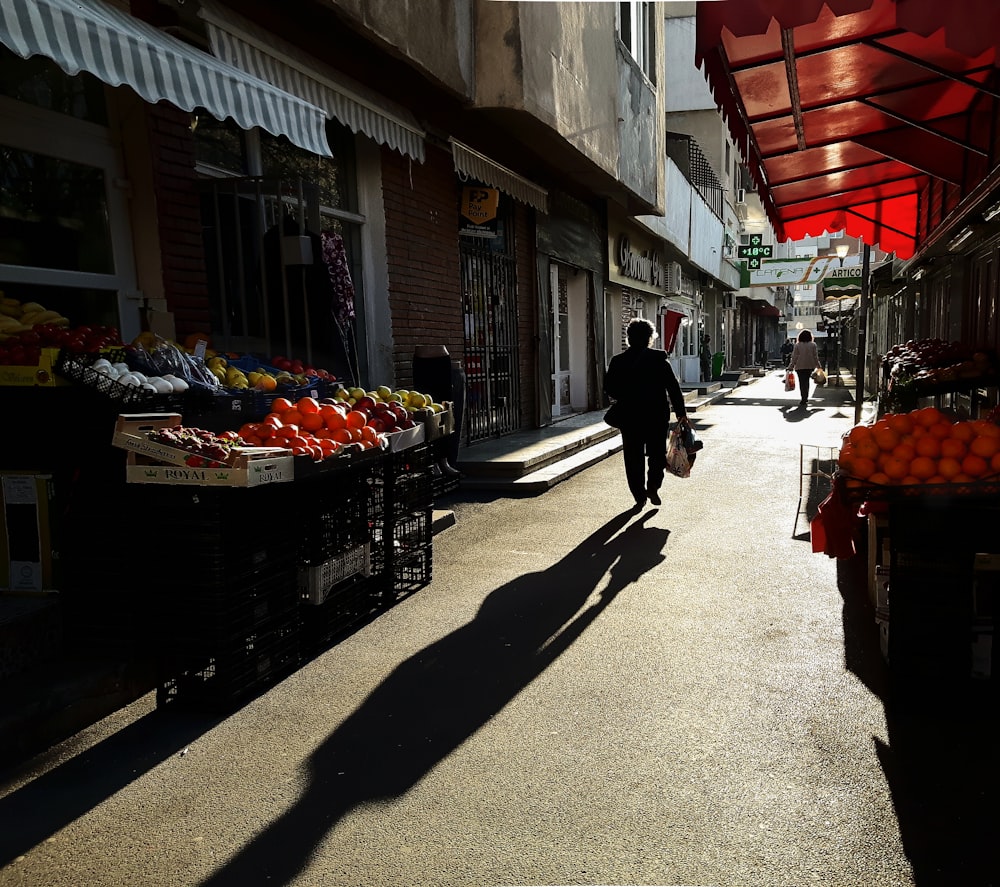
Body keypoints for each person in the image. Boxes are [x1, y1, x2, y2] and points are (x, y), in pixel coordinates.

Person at [604, 317, 689, 508]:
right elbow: (673, 389)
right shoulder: (660, 361)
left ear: (629, 338)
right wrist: (681, 413)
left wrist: (627, 395)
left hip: (629, 416)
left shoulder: (618, 361)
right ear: (650, 338)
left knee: (633, 457)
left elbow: (609, 388)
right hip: (656, 416)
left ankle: (639, 495)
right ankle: (653, 486)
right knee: (657, 454)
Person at [788, 329, 821, 407]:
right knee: (806, 382)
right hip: (809, 366)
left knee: (802, 382)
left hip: (799, 366)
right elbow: (815, 357)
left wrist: (791, 366)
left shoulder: (797, 345)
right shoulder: (813, 345)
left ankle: (803, 398)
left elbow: (794, 357)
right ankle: (805, 397)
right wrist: (818, 366)